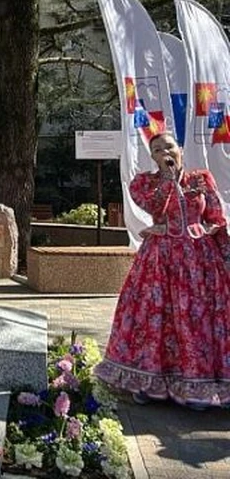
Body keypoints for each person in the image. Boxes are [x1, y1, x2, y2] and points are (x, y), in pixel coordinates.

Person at [93, 131, 230, 409]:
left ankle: (197, 385)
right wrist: (168, 181)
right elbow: (153, 206)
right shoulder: (144, 183)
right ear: (153, 156)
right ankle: (149, 380)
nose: (164, 152)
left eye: (168, 146)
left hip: (197, 261)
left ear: (179, 149)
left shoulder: (201, 179)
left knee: (195, 318)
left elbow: (215, 217)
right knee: (155, 317)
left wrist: (219, 250)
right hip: (160, 259)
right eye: (157, 149)